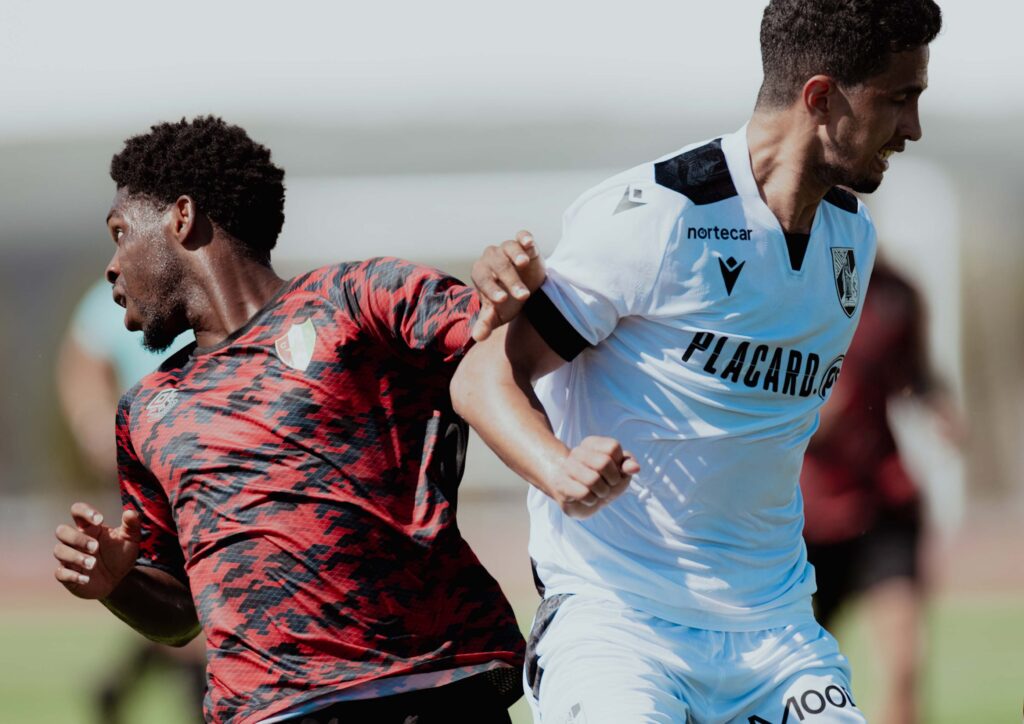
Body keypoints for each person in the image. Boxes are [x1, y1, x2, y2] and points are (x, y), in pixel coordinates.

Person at [452, 1, 943, 721]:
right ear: (820, 98)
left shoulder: (852, 237)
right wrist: (559, 470)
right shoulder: (658, 215)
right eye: (899, 99)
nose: (913, 128)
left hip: (776, 635)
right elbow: (482, 375)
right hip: (619, 624)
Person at [51, 116, 542, 724]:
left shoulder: (357, 300)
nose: (112, 265)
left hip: (426, 689)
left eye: (121, 233)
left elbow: (508, 337)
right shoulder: (145, 411)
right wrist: (118, 585)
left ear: (182, 218)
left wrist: (506, 286)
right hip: (264, 714)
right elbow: (179, 617)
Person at [801, 258, 958, 724]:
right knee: (786, 683)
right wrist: (803, 419)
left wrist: (939, 407)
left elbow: (914, 372)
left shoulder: (896, 291)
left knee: (904, 665)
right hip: (799, 518)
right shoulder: (774, 276)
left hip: (882, 507)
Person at [57, 280, 203, 723]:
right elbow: (79, 360)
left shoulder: (209, 282)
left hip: (209, 454)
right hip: (149, 463)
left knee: (194, 594)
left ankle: (121, 682)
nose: (114, 266)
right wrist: (93, 426)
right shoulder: (112, 295)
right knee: (188, 585)